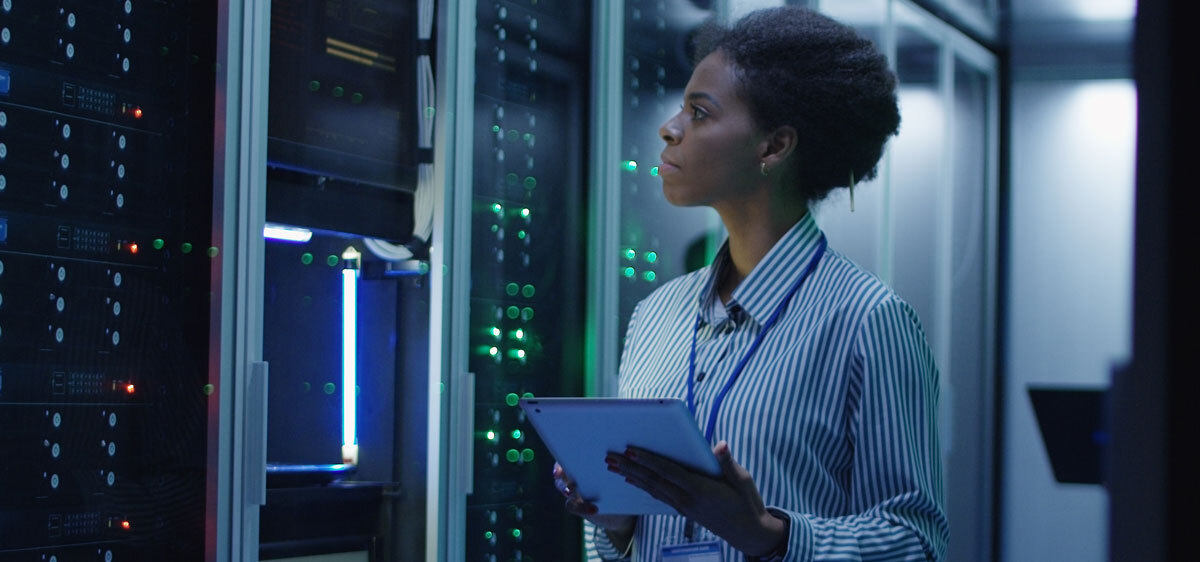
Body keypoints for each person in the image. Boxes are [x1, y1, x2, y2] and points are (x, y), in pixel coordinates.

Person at [552, 5, 948, 561]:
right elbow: (621, 546)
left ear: (773, 147)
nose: (670, 128)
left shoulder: (868, 321)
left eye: (700, 111)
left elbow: (918, 543)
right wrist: (616, 524)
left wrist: (768, 535)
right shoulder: (656, 315)